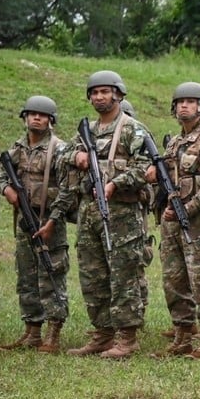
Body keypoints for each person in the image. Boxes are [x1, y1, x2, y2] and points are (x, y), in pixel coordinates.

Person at [42, 71, 152, 358]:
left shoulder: (133, 130)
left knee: (123, 275)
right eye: (95, 92)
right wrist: (77, 156)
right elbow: (62, 154)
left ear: (118, 94)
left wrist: (116, 183)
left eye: (105, 91)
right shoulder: (86, 131)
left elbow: (146, 169)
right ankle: (102, 333)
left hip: (122, 215)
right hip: (88, 213)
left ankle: (127, 337)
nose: (99, 97)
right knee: (93, 276)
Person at [152, 83, 200, 357]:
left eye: (191, 101)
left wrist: (188, 209)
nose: (184, 106)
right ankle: (182, 335)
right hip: (172, 221)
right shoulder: (174, 142)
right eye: (180, 101)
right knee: (174, 280)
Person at [0, 96, 70, 353]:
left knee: (51, 274)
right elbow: (2, 174)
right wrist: (6, 189)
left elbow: (67, 190)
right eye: (32, 114)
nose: (36, 118)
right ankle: (32, 331)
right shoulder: (17, 148)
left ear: (51, 120)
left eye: (42, 115)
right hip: (24, 222)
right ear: (25, 118)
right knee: (26, 276)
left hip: (49, 221)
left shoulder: (59, 149)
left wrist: (53, 221)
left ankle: (53, 333)